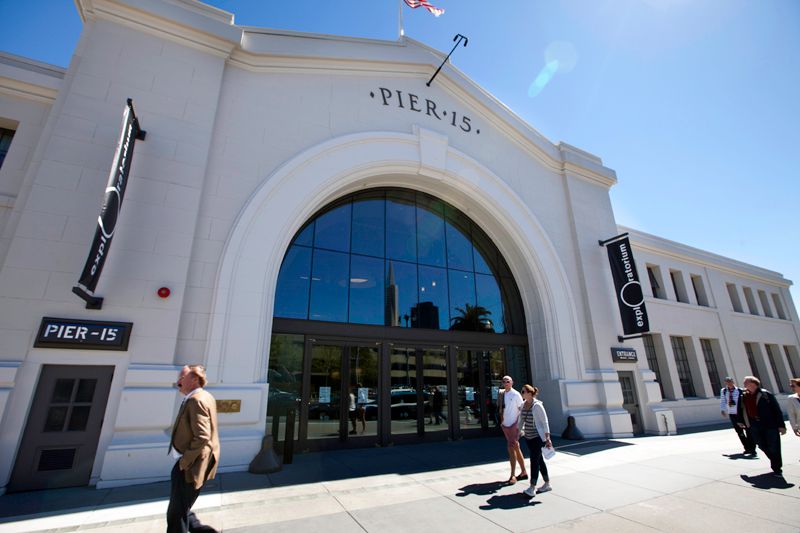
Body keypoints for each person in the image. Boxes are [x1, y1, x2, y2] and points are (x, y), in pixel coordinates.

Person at [167, 365, 220, 533]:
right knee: (182, 509)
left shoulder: (197, 400)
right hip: (192, 462)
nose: (178, 383)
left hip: (191, 465)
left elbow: (203, 436)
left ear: (195, 379)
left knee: (176, 514)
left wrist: (184, 462)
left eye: (182, 378)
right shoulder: (204, 396)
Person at [736, 375, 786, 475]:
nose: (744, 383)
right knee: (761, 445)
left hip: (770, 424)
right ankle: (774, 460)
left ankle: (777, 468)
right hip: (753, 425)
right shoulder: (743, 396)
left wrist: (781, 425)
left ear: (753, 383)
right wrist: (740, 421)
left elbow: (776, 410)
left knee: (773, 446)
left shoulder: (765, 394)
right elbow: (740, 409)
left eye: (746, 382)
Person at [518, 384, 552, 498]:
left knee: (534, 460)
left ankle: (532, 487)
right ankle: (547, 483)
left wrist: (548, 438)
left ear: (529, 393)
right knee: (539, 460)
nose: (522, 393)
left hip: (538, 438)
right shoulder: (523, 404)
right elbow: (521, 420)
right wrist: (518, 432)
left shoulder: (537, 406)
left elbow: (545, 422)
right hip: (528, 437)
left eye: (523, 392)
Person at [497, 375, 527, 484]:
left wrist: (520, 426)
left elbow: (522, 410)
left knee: (511, 448)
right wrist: (501, 422)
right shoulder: (501, 394)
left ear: (512, 382)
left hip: (514, 425)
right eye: (504, 381)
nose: (506, 383)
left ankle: (512, 475)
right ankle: (523, 472)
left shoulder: (516, 394)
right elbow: (500, 408)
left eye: (508, 381)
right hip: (505, 425)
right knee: (516, 447)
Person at [719, 377, 756, 456]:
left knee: (748, 430)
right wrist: (722, 410)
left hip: (741, 413)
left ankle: (752, 448)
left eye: (730, 381)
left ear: (733, 382)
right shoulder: (724, 391)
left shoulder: (740, 390)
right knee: (739, 432)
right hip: (732, 413)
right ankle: (747, 448)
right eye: (727, 382)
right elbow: (723, 400)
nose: (729, 383)